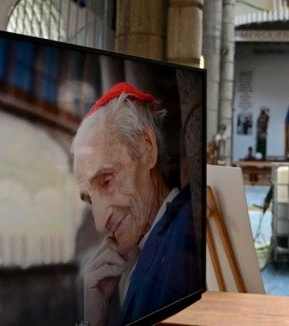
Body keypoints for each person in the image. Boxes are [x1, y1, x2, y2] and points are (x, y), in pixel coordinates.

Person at [72, 82, 199, 325]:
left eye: (107, 181)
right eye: (90, 199)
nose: (100, 224)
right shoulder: (160, 238)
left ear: (146, 149)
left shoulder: (184, 238)